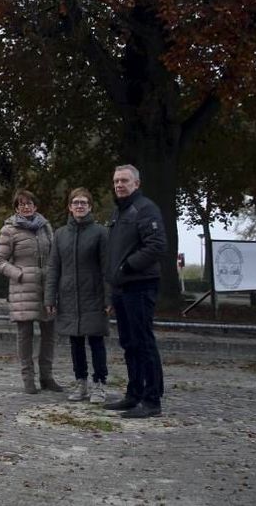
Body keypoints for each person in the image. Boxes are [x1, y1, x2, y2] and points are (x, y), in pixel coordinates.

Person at [102, 164, 168, 418]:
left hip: (140, 285)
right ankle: (134, 394)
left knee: (143, 343)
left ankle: (152, 400)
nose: (119, 185)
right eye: (116, 180)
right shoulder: (119, 212)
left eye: (125, 181)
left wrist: (128, 266)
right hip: (122, 288)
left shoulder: (145, 209)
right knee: (129, 343)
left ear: (136, 184)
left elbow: (156, 245)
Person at [45, 187, 110, 403]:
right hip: (69, 296)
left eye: (84, 202)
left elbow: (106, 268)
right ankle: (81, 382)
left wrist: (109, 297)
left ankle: (100, 383)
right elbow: (54, 267)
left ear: (90, 206)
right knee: (75, 343)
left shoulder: (101, 233)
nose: (80, 206)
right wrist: (50, 297)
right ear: (70, 207)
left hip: (93, 295)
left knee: (96, 341)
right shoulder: (61, 234)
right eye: (76, 202)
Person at [0, 189, 62, 394]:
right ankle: (28, 379)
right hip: (23, 288)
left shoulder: (45, 227)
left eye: (29, 203)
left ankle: (47, 377)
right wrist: (20, 274)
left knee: (49, 333)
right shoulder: (9, 230)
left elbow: (54, 256)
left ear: (35, 206)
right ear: (16, 208)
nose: (26, 206)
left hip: (46, 287)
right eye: (21, 204)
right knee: (25, 335)